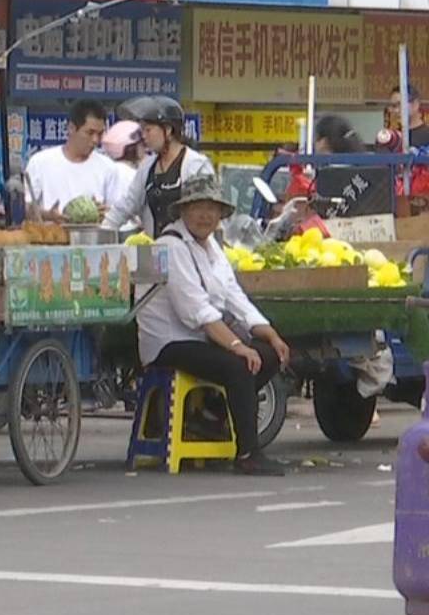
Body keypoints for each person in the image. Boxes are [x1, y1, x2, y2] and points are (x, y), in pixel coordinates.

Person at [138, 175, 292, 476]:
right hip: (168, 342)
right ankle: (248, 452)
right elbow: (195, 311)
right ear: (183, 211)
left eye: (212, 209)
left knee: (271, 355)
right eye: (197, 207)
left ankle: (210, 415)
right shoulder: (170, 246)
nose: (205, 216)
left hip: (200, 338)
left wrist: (270, 334)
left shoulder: (211, 248)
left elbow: (236, 298)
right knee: (239, 365)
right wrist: (237, 346)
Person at [104, 95, 215, 236]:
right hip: (158, 251)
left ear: (168, 130)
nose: (143, 136)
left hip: (190, 251)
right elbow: (126, 205)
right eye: (142, 130)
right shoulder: (147, 167)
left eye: (148, 130)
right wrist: (102, 232)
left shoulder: (196, 166)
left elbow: (209, 215)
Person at [24, 99, 122, 220]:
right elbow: (26, 207)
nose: (95, 140)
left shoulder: (108, 167)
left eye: (100, 134)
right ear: (71, 128)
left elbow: (117, 211)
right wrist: (47, 215)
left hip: (92, 237)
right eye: (90, 133)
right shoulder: (40, 162)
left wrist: (106, 213)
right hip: (53, 236)